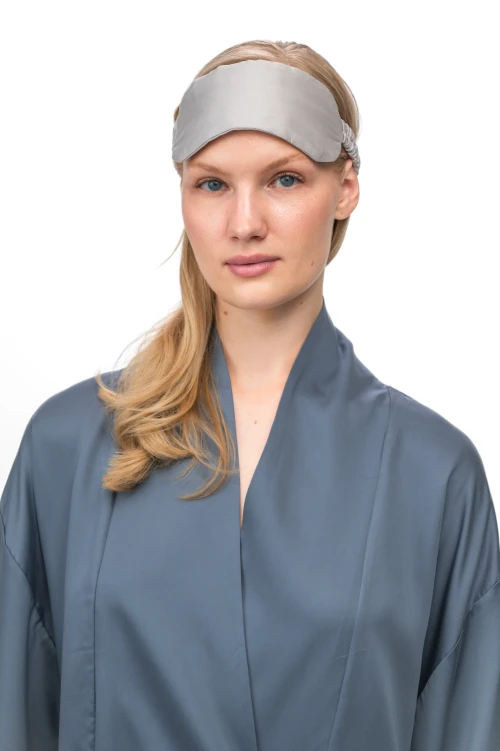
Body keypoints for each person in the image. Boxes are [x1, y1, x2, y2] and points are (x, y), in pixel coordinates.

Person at [1, 39, 499, 751]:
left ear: (346, 187)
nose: (243, 223)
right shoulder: (68, 448)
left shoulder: (432, 474)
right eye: (212, 185)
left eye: (284, 179)